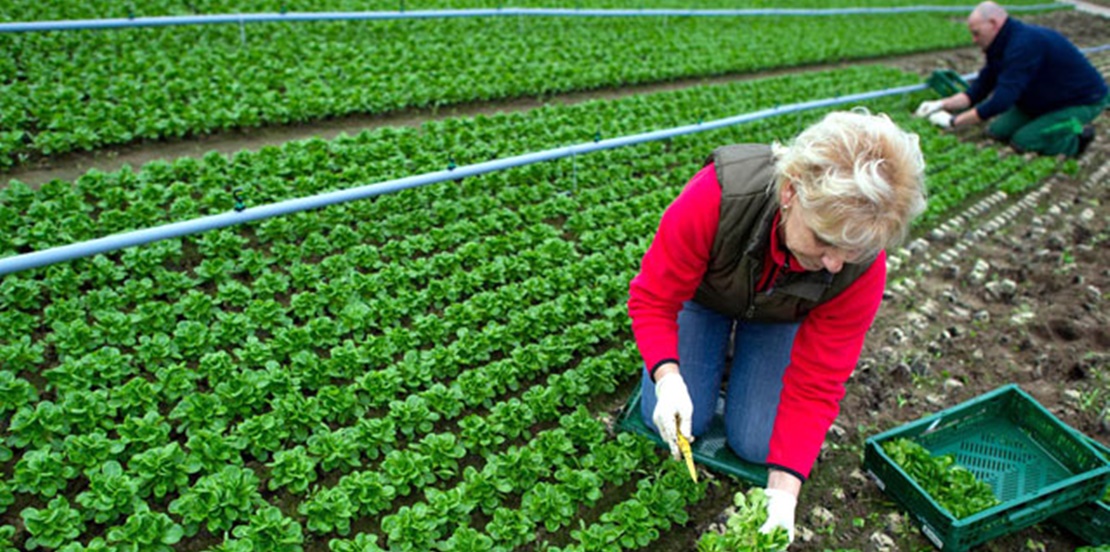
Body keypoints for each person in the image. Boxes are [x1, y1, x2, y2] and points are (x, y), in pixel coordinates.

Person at [627, 109, 926, 545]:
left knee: (758, 444)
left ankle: (738, 356)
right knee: (673, 418)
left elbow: (819, 380)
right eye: (825, 240)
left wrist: (784, 495)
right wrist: (667, 376)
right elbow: (653, 299)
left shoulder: (859, 267)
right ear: (790, 192)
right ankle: (706, 358)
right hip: (705, 299)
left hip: (779, 316)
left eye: (853, 250)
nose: (835, 263)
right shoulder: (720, 195)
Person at [915, 1, 1108, 157]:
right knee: (997, 131)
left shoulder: (1023, 45)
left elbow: (1002, 100)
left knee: (1024, 141)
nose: (974, 39)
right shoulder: (1000, 46)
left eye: (976, 33)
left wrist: (954, 122)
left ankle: (1076, 139)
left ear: (993, 24)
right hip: (1042, 101)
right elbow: (979, 90)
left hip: (1079, 101)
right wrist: (940, 104)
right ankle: (1043, 122)